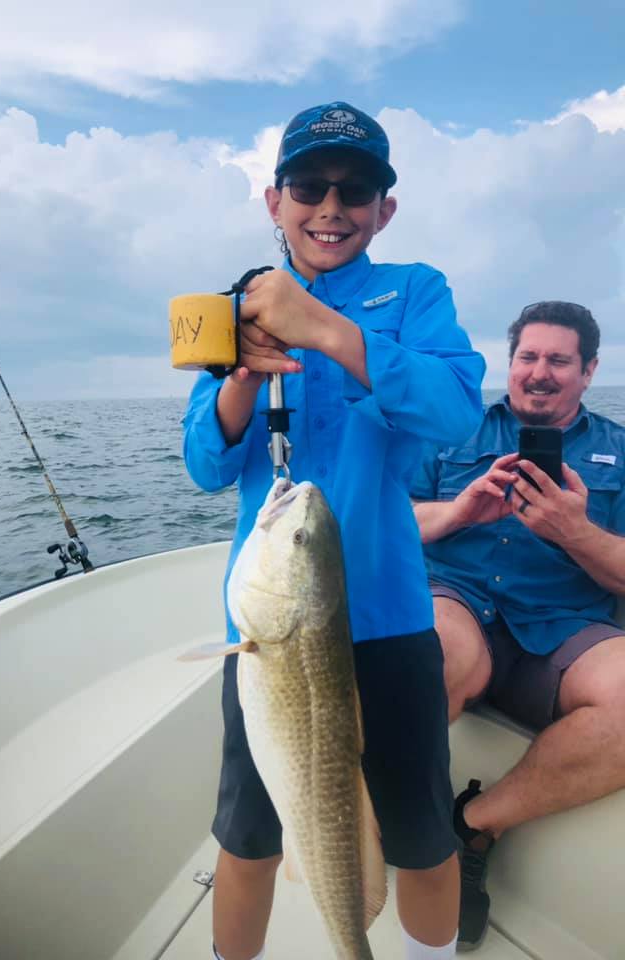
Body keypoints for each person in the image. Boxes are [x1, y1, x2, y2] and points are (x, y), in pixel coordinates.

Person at [183, 101, 485, 960]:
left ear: (385, 210)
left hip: (388, 621)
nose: (330, 205)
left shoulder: (416, 293)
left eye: (356, 190)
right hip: (269, 635)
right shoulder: (225, 309)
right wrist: (241, 372)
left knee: (423, 836)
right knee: (249, 838)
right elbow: (205, 465)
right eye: (309, 185)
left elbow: (456, 408)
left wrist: (321, 328)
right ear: (272, 201)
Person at [410, 300, 625, 951]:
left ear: (588, 371)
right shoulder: (453, 430)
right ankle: (407, 828)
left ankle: (470, 827)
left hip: (563, 628)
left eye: (559, 360)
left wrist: (576, 533)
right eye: (528, 356)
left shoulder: (619, 450)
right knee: (424, 656)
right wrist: (458, 514)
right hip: (459, 602)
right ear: (511, 363)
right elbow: (388, 521)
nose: (539, 372)